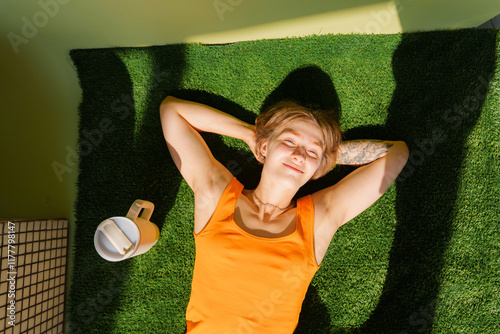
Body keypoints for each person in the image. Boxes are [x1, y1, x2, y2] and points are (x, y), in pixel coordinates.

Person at [159, 95, 409, 334]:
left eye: (311, 151)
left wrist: (326, 157)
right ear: (265, 146)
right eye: (289, 141)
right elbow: (172, 111)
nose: (299, 155)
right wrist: (250, 134)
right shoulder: (217, 195)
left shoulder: (319, 219)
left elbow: (397, 154)